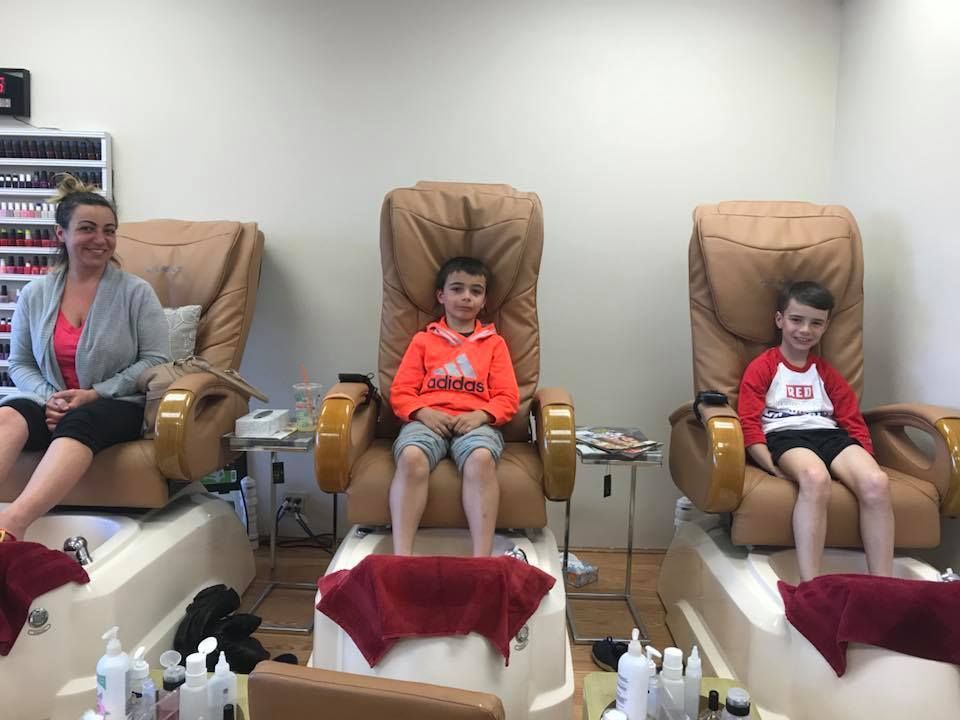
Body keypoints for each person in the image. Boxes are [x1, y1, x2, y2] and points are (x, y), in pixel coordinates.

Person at [0, 175, 170, 543]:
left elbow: (157, 359)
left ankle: (13, 524)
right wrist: (51, 397)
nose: (101, 239)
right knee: (9, 415)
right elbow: (20, 363)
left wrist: (94, 393)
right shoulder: (35, 293)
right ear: (61, 234)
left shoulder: (136, 293)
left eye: (109, 231)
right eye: (87, 229)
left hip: (116, 404)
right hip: (51, 401)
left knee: (82, 419)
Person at [738, 280, 893, 581]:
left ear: (825, 326)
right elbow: (749, 423)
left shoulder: (825, 373)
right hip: (786, 435)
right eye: (797, 319)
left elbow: (853, 421)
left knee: (876, 482)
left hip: (830, 436)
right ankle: (812, 583)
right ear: (780, 320)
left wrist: (865, 459)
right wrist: (770, 465)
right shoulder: (764, 367)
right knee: (814, 477)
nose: (805, 330)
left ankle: (884, 584)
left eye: (816, 323)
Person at [388, 256, 519, 557]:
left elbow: (507, 397)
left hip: (475, 422)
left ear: (485, 300)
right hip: (427, 419)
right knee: (410, 457)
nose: (466, 297)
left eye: (476, 291)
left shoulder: (494, 344)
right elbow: (402, 391)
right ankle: (401, 557)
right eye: (457, 289)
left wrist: (481, 415)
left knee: (482, 459)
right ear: (441, 296)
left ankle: (481, 558)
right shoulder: (422, 341)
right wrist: (422, 412)